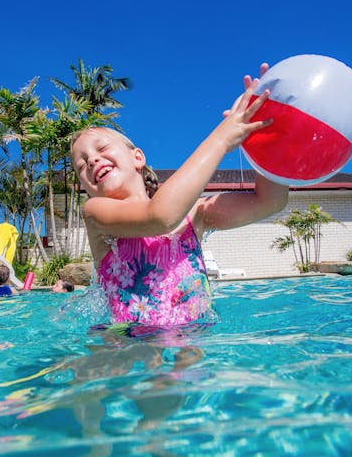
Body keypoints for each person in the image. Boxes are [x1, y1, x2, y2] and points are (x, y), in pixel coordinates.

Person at [70, 68, 289, 326]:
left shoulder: (194, 214)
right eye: (82, 165)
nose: (92, 160)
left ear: (137, 157)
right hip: (126, 343)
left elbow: (270, 201)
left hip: (191, 343)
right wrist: (222, 139)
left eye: (102, 148)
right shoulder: (96, 214)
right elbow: (160, 217)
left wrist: (267, 135)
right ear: (85, 186)